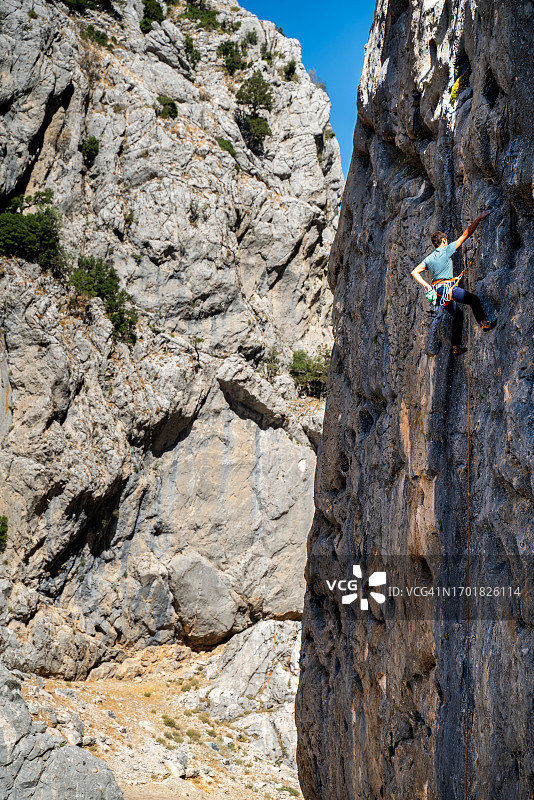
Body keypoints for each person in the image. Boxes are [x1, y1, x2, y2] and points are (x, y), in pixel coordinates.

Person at [411, 211, 496, 355]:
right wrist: (479, 218)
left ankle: (456, 347)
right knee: (473, 299)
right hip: (448, 289)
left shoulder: (429, 259)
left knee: (458, 315)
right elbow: (465, 234)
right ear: (443, 241)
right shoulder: (446, 249)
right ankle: (484, 323)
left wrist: (426, 285)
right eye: (446, 240)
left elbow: (414, 272)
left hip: (439, 294)